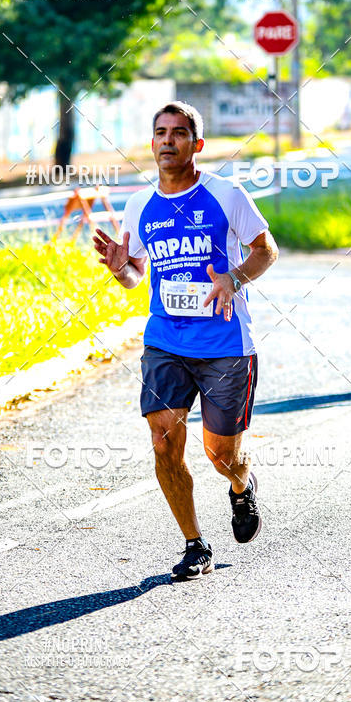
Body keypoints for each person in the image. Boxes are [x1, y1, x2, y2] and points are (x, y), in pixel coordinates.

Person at [93, 101, 278, 580]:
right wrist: (122, 267)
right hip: (165, 340)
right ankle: (195, 544)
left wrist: (233, 280)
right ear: (152, 143)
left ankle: (241, 485)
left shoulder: (226, 194)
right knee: (162, 441)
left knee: (221, 455)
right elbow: (135, 276)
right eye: (160, 132)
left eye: (178, 132)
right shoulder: (140, 204)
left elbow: (266, 250)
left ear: (196, 145)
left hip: (226, 346)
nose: (167, 140)